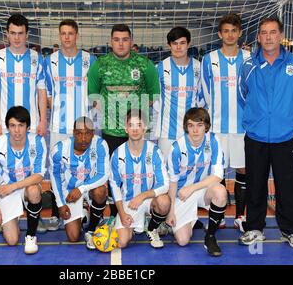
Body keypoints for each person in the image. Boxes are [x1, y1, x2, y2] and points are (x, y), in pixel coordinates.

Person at [238, 17, 293, 249]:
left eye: (272, 32)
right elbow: (243, 96)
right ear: (258, 37)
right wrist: (257, 118)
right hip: (256, 136)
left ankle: (290, 230)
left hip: (285, 137)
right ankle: (255, 228)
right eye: (263, 33)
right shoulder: (248, 66)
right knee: (255, 184)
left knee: (287, 185)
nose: (268, 37)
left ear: (280, 35)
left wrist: (284, 117)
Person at [88, 24, 160, 218]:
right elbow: (93, 96)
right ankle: (115, 214)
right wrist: (112, 113)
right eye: (117, 40)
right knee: (114, 176)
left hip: (137, 132)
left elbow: (153, 95)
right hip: (111, 131)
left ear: (131, 41)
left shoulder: (145, 65)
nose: (121, 44)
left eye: (125, 39)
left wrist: (135, 119)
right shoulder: (100, 65)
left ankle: (143, 211)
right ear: (111, 42)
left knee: (140, 172)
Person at [0, 14, 47, 236]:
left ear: (27, 34)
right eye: (12, 33)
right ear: (7, 33)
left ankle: (35, 215)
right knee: (2, 169)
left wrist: (43, 119)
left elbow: (42, 89)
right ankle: (1, 216)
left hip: (31, 126)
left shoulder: (36, 58)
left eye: (20, 33)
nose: (16, 37)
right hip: (6, 124)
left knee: (33, 171)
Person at [44, 19, 97, 231]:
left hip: (83, 127)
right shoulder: (50, 61)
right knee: (57, 169)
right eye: (63, 33)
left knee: (85, 169)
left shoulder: (89, 60)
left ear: (77, 35)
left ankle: (84, 208)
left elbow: (95, 93)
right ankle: (59, 210)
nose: (67, 37)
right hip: (59, 125)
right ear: (59, 36)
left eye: (70, 33)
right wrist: (58, 111)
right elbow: (48, 93)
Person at [200, 13, 250, 230]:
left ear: (239, 33)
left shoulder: (249, 58)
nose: (230, 35)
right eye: (226, 31)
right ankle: (218, 215)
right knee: (216, 173)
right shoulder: (208, 59)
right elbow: (204, 92)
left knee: (243, 170)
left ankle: (240, 216)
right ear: (220, 34)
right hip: (217, 128)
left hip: (243, 127)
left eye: (234, 31)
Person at [0, 106, 46, 254]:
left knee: (34, 190)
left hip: (24, 188)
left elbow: (39, 175)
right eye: (12, 126)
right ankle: (14, 216)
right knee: (11, 241)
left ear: (28, 127)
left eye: (21, 125)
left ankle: (31, 236)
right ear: (7, 127)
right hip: (5, 192)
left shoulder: (37, 142)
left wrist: (13, 186)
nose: (17, 130)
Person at [167, 107, 227, 257]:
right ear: (186, 127)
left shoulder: (213, 141)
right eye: (191, 125)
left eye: (199, 125)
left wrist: (193, 188)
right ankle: (190, 219)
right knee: (182, 241)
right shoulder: (176, 148)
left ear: (206, 127)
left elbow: (218, 175)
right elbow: (172, 183)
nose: (195, 130)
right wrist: (171, 211)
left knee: (220, 192)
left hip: (201, 190)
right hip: (181, 194)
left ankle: (210, 237)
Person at [109, 109, 170, 249]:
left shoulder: (154, 151)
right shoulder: (118, 154)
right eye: (131, 125)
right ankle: (129, 222)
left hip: (148, 200)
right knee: (122, 242)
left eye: (139, 125)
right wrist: (122, 213)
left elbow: (165, 184)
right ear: (126, 128)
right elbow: (114, 187)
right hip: (128, 203)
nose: (135, 129)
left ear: (145, 128)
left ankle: (152, 228)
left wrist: (142, 196)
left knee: (164, 201)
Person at [49, 117, 110, 249]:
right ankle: (83, 211)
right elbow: (55, 176)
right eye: (79, 133)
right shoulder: (59, 150)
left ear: (93, 133)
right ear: (73, 132)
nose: (83, 138)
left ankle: (91, 229)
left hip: (89, 187)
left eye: (87, 133)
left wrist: (81, 189)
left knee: (101, 191)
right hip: (70, 191)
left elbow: (103, 174)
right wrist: (60, 204)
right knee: (73, 237)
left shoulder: (100, 145)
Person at [156, 26, 202, 157]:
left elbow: (203, 98)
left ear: (188, 44)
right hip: (167, 131)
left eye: (182, 43)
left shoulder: (199, 67)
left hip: (193, 131)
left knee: (191, 170)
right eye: (174, 43)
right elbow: (156, 99)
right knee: (166, 169)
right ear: (169, 45)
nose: (178, 47)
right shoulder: (160, 67)